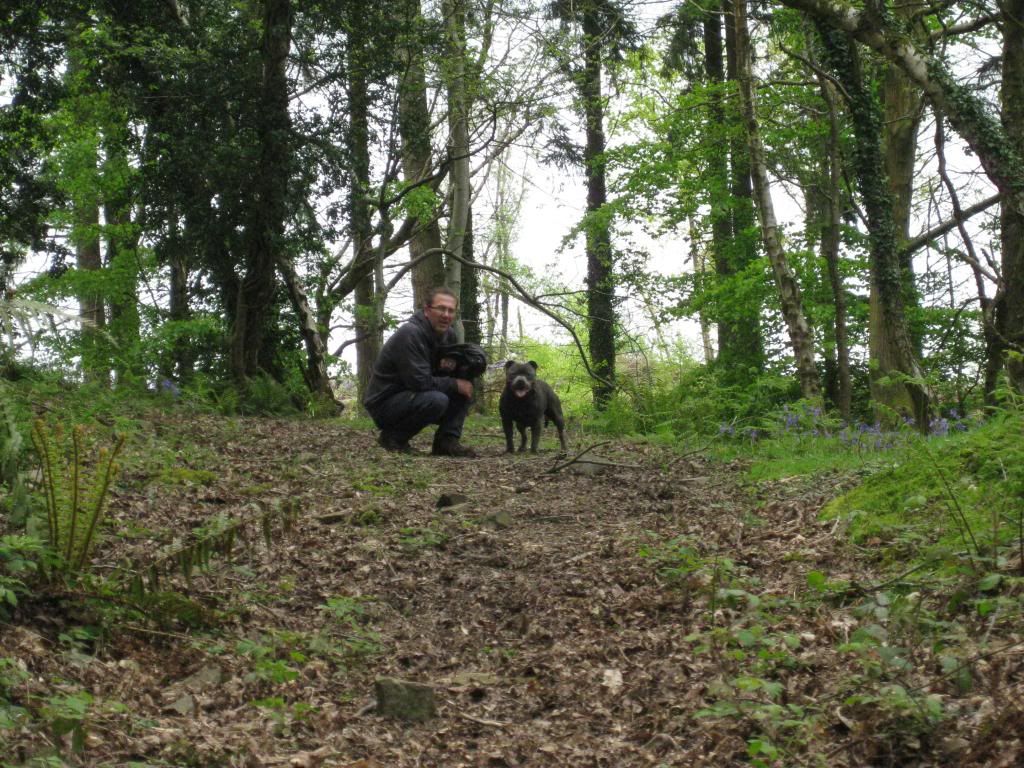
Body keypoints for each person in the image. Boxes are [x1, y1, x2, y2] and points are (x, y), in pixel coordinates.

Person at [363, 287, 477, 456]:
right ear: (427, 310)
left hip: (413, 395)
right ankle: (393, 438)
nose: (446, 315)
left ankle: (446, 442)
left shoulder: (448, 335)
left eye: (451, 310)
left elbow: (442, 375)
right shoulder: (410, 333)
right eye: (441, 308)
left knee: (464, 388)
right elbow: (419, 381)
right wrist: (454, 383)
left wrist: (464, 369)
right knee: (439, 398)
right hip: (385, 403)